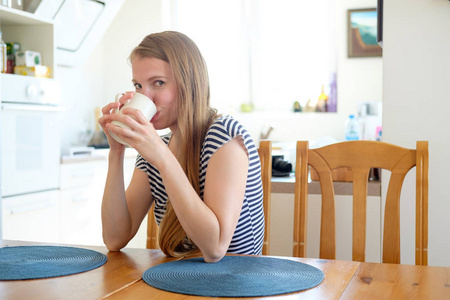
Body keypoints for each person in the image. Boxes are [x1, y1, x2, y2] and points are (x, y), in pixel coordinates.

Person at [99, 31, 264, 263]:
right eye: (138, 85)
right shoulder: (158, 148)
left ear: (189, 84)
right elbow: (115, 238)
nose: (145, 97)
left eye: (158, 83)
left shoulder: (223, 134)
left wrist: (162, 157)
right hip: (178, 279)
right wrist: (116, 152)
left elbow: (215, 249)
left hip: (235, 283)